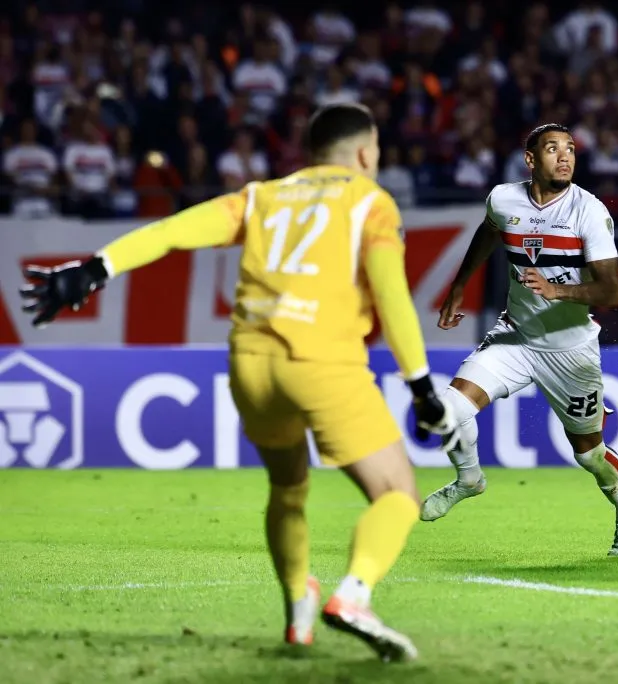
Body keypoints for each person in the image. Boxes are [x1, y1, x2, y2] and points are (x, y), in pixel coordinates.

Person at [19, 103, 458, 661]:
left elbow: (172, 231)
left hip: (250, 364)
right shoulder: (370, 201)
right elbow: (392, 294)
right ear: (367, 152)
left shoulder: (263, 196)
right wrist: (421, 389)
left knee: (287, 486)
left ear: (310, 152)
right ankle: (354, 595)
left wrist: (96, 268)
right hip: (321, 362)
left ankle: (299, 608)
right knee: (397, 493)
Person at [422, 123, 618, 557]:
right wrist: (458, 285)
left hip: (570, 349)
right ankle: (469, 479)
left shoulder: (589, 211)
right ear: (531, 159)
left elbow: (610, 292)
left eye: (570, 150)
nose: (565, 157)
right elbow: (491, 231)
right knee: (450, 408)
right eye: (552, 149)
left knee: (588, 453)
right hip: (516, 336)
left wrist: (557, 289)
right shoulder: (504, 199)